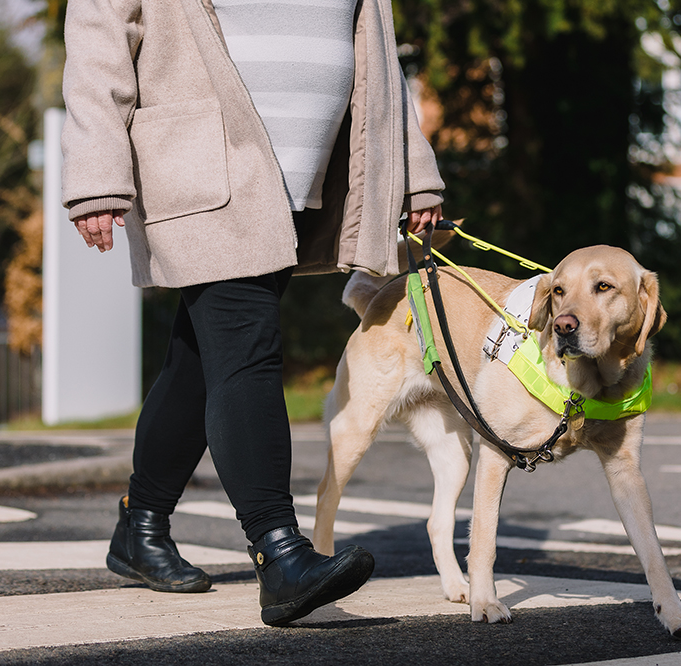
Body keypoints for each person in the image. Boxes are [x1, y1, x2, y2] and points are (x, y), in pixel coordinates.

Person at [60, 0, 444, 626]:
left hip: (300, 179)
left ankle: (141, 524)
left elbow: (378, 55)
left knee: (200, 359)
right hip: (201, 161)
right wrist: (97, 176)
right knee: (246, 346)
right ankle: (280, 552)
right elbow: (99, 36)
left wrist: (413, 173)